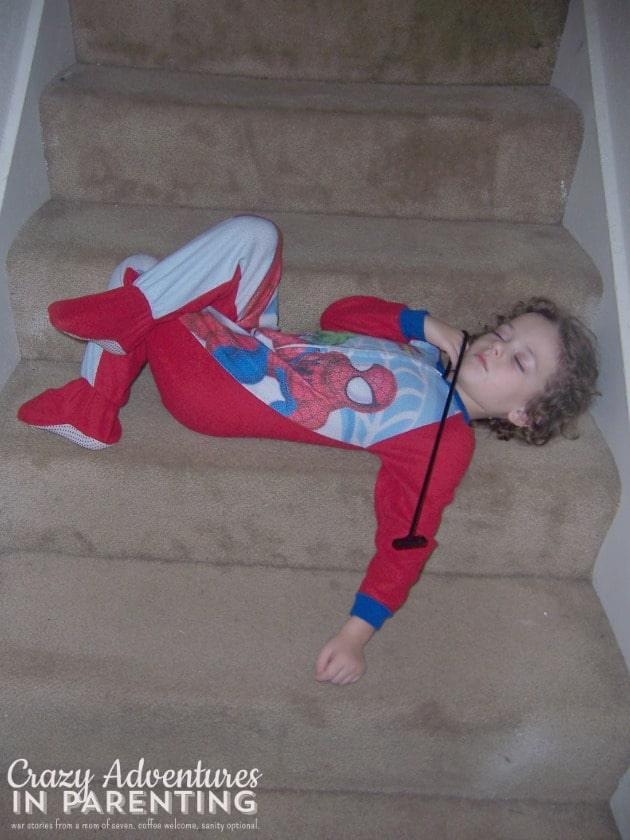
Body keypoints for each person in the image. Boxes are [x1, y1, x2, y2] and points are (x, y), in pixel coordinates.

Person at [17, 215, 599, 685]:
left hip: (223, 387)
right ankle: (97, 401)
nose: (498, 350)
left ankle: (124, 329)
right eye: (502, 335)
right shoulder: (422, 358)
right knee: (231, 244)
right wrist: (427, 327)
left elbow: (407, 538)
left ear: (524, 415)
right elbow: (336, 317)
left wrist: (356, 634)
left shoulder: (442, 436)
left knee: (162, 286)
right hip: (255, 343)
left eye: (519, 361)